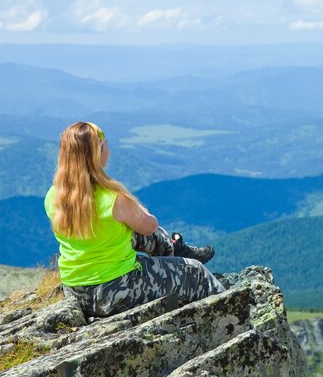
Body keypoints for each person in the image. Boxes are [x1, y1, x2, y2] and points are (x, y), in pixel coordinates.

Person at [44, 122, 225, 317]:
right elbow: (150, 225)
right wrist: (130, 200)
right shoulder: (113, 198)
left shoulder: (54, 196)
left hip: (75, 291)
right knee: (195, 272)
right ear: (98, 153)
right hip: (115, 290)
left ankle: (175, 249)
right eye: (104, 145)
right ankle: (233, 315)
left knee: (132, 235)